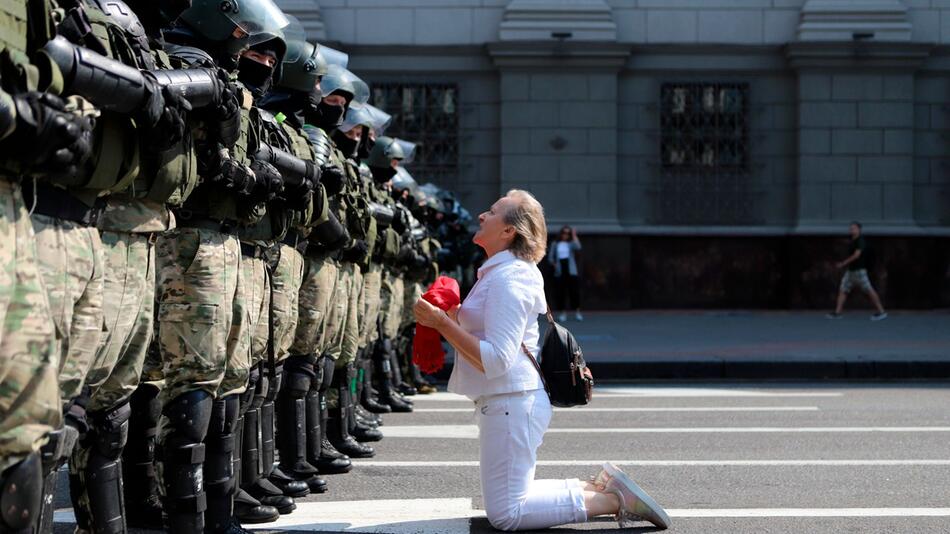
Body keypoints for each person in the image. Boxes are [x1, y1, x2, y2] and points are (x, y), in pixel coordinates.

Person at [413, 190, 670, 531]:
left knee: (507, 514)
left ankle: (614, 499)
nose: (482, 216)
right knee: (509, 500)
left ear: (509, 232)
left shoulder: (510, 277)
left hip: (511, 401)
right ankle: (596, 487)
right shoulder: (499, 273)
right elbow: (493, 335)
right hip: (507, 401)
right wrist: (454, 314)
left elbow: (496, 360)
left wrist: (441, 323)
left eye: (492, 212)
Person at [827, 221, 888, 321]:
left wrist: (843, 263)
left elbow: (857, 255)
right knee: (843, 289)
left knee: (869, 289)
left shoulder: (860, 241)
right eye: (851, 228)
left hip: (859, 271)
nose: (852, 230)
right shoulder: (853, 241)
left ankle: (881, 311)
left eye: (854, 228)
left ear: (859, 230)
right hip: (851, 271)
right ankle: (838, 312)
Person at [548, 225, 583, 322]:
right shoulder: (555, 243)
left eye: (568, 233)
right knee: (561, 292)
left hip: (571, 269)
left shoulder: (571, 243)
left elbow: (578, 246)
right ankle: (563, 313)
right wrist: (555, 264)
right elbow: (550, 257)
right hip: (560, 269)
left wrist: (574, 235)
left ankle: (577, 312)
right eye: (564, 233)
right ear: (561, 233)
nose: (565, 235)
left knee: (574, 292)